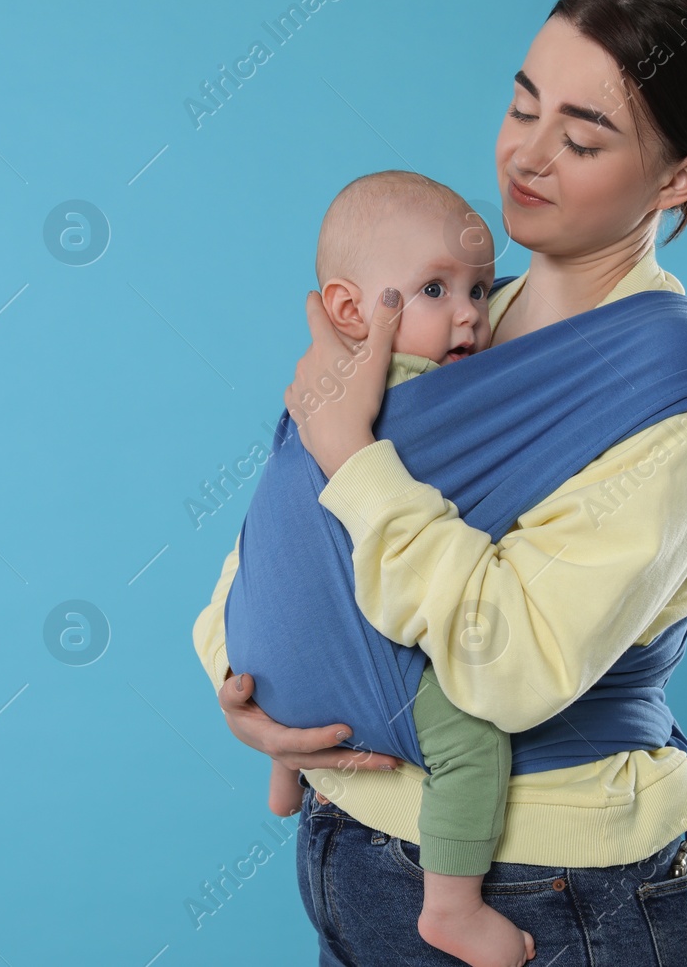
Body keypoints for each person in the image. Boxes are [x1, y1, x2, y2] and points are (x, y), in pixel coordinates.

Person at [194, 0, 687, 966]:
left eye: (581, 139)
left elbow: (507, 669)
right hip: (346, 843)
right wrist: (245, 688)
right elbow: (287, 531)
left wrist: (356, 458)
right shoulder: (435, 322)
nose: (526, 157)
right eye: (521, 106)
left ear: (678, 180)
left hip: (551, 883)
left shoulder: (675, 395)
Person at [247, 167, 535, 967]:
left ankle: (286, 770)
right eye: (435, 290)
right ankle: (451, 904)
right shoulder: (427, 397)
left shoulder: (318, 386)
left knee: (308, 586)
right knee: (473, 736)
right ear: (351, 308)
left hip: (263, 650)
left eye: (479, 291)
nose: (471, 317)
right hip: (350, 650)